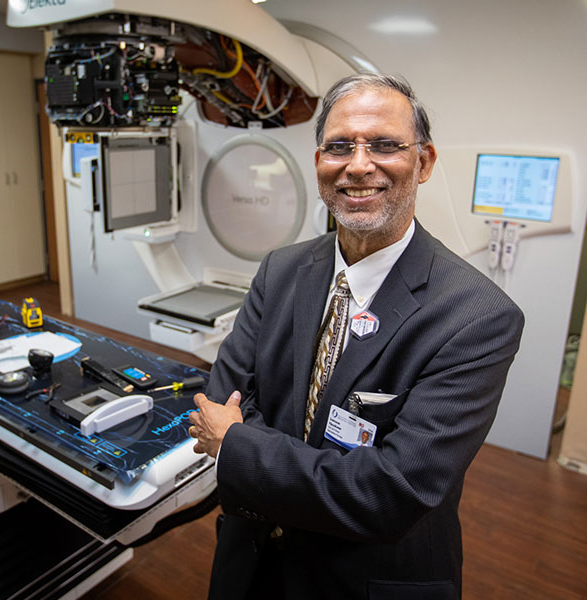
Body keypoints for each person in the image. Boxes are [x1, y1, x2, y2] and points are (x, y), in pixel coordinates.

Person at [188, 74, 524, 600]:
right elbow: (225, 395)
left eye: (386, 145)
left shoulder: (477, 317)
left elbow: (390, 493)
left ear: (425, 162)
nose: (359, 165)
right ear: (319, 160)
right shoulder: (281, 270)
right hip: (251, 562)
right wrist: (319, 473)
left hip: (364, 579)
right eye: (339, 146)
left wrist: (237, 443)